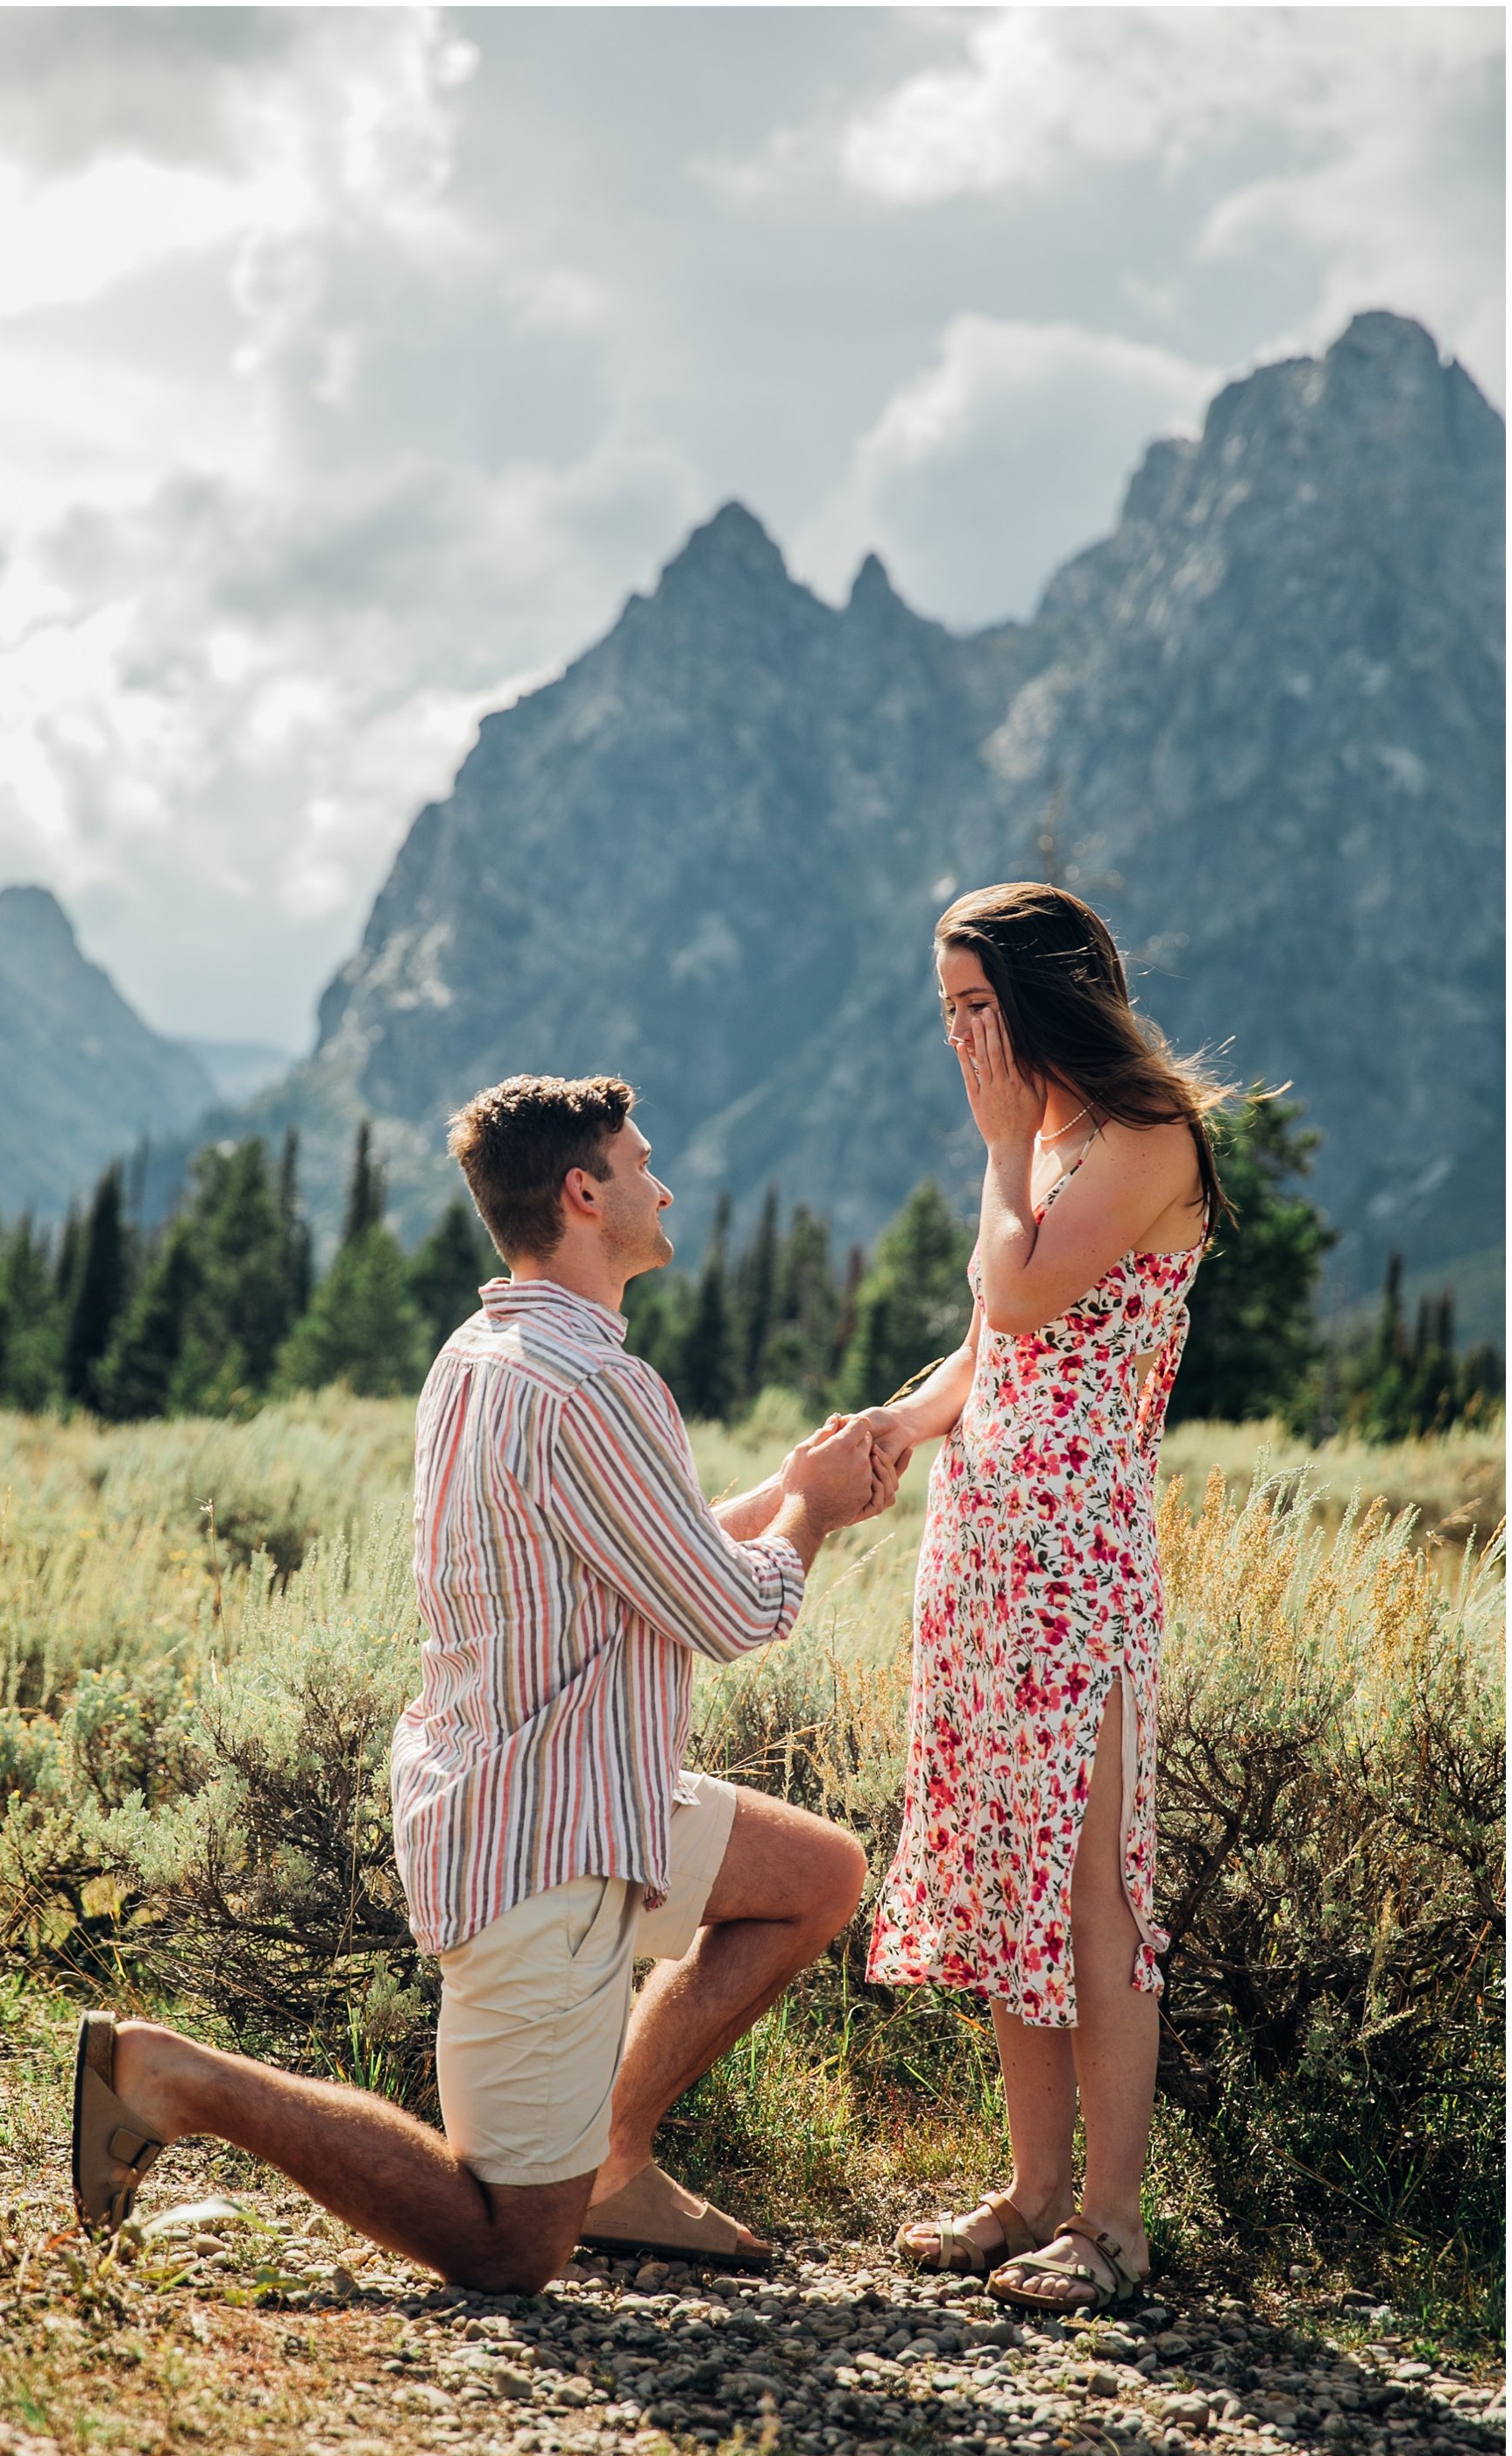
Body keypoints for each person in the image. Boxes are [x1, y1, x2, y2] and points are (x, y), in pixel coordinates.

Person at [73, 1072, 896, 2294]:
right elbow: (733, 1611)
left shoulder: (483, 1352)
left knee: (818, 1875)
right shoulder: (601, 1385)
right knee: (509, 2245)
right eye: (641, 1162)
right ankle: (174, 2080)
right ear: (583, 1191)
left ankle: (609, 2156)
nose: (662, 1184)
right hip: (543, 1848)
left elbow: (649, 1554)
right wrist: (816, 1514)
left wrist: (783, 1494)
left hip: (558, 1787)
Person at [858, 883, 1226, 2314]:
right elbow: (983, 1353)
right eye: (946, 1011)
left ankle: (1115, 2221)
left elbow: (1018, 1296)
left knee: (1091, 1889)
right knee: (1008, 1863)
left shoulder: (1142, 1139)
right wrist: (891, 1427)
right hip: (983, 1542)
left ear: (1046, 993)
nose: (959, 1038)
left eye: (975, 1006)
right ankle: (1028, 2194)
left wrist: (1004, 1149)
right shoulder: (1053, 1143)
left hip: (1079, 1557)